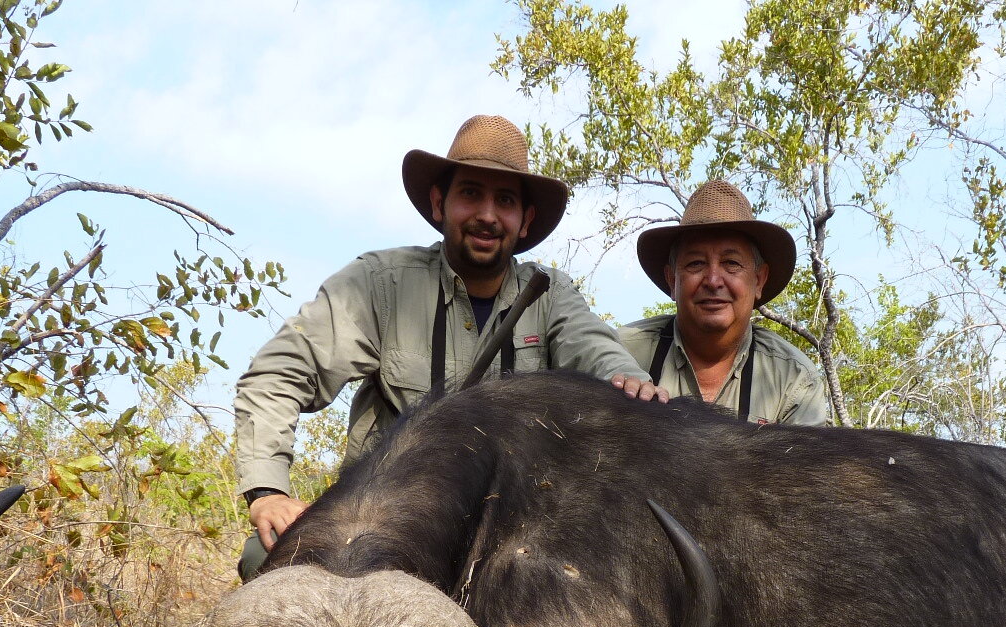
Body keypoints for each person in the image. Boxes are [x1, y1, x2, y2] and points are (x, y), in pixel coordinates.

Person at [234, 114, 668, 576]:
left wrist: (633, 387)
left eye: (505, 200)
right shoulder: (380, 284)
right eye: (470, 194)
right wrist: (268, 493)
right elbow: (279, 373)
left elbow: (598, 352)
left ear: (525, 221)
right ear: (440, 203)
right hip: (384, 520)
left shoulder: (552, 295)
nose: (487, 214)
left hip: (506, 534)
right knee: (264, 557)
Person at [617, 180, 830, 426]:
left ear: (759, 280)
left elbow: (800, 464)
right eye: (696, 263)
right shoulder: (621, 354)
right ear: (672, 280)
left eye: (732, 263)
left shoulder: (793, 380)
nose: (713, 280)